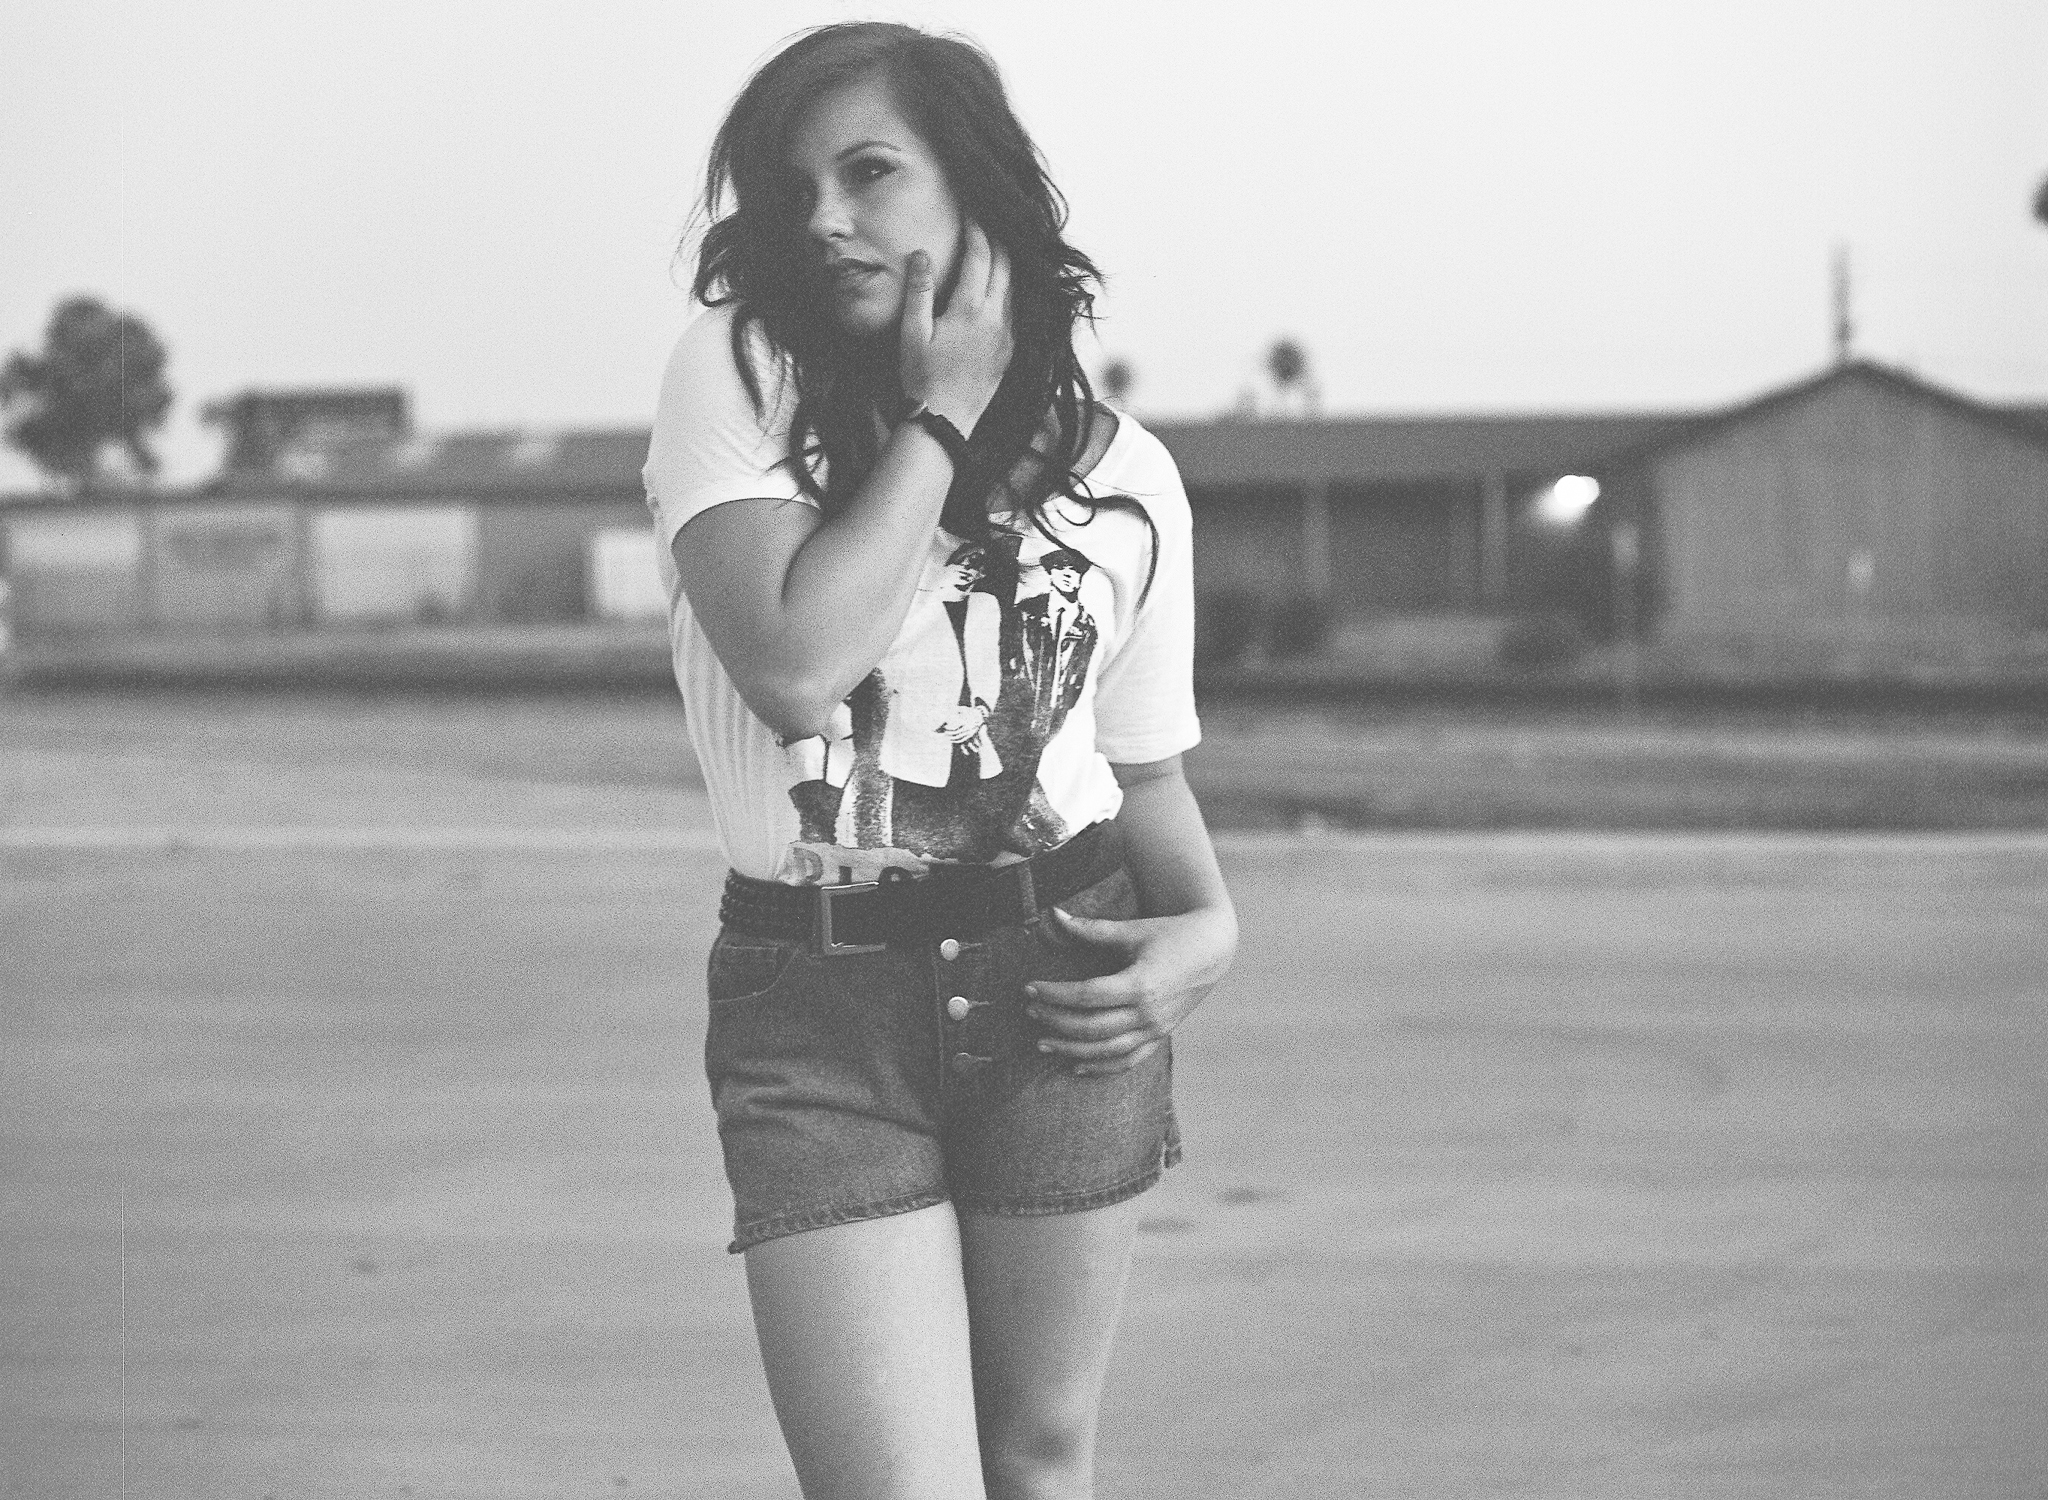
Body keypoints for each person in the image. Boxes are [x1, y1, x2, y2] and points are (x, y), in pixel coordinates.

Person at [641, 22, 1237, 1499]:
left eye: (869, 172)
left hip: (1061, 979)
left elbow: (1142, 773)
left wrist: (1212, 931)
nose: (825, 217)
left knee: (1039, 1462)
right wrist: (946, 414)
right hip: (819, 1000)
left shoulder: (1127, 476)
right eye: (794, 190)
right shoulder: (741, 377)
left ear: (973, 187)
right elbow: (794, 664)